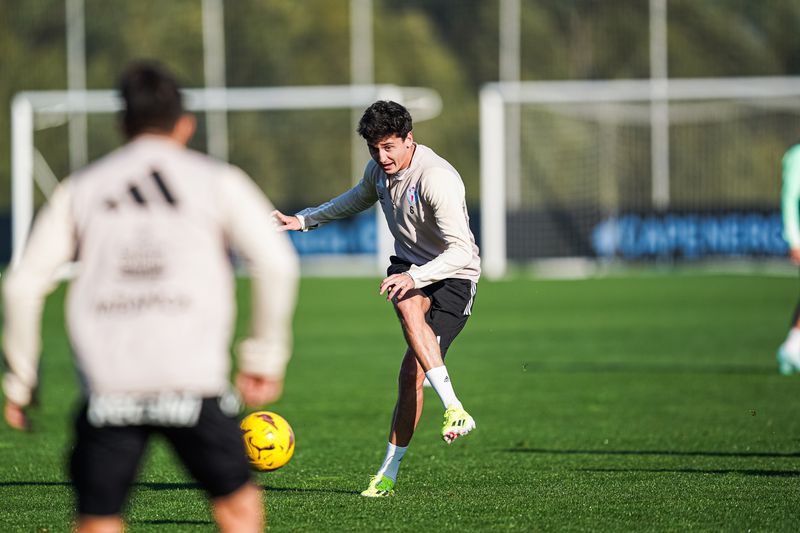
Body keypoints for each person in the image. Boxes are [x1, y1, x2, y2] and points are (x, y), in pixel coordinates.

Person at [2, 62, 299, 532]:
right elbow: (277, 262)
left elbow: (21, 285)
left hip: (109, 386)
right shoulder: (217, 180)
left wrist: (22, 379)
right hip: (192, 380)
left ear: (122, 124)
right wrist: (263, 356)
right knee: (237, 508)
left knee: (100, 518)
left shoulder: (82, 188)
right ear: (185, 123)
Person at [272, 100, 480, 498]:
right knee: (404, 309)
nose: (381, 157)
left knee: (410, 375)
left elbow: (462, 253)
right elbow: (355, 198)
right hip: (410, 268)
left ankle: (445, 414)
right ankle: (407, 454)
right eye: (374, 149)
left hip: (454, 276)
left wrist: (416, 275)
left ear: (408, 140)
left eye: (389, 147)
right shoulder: (378, 171)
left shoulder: (436, 178)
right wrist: (303, 220)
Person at [778, 142, 800, 374]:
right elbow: (790, 197)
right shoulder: (797, 156)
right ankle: (792, 347)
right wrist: (793, 240)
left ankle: (792, 346)